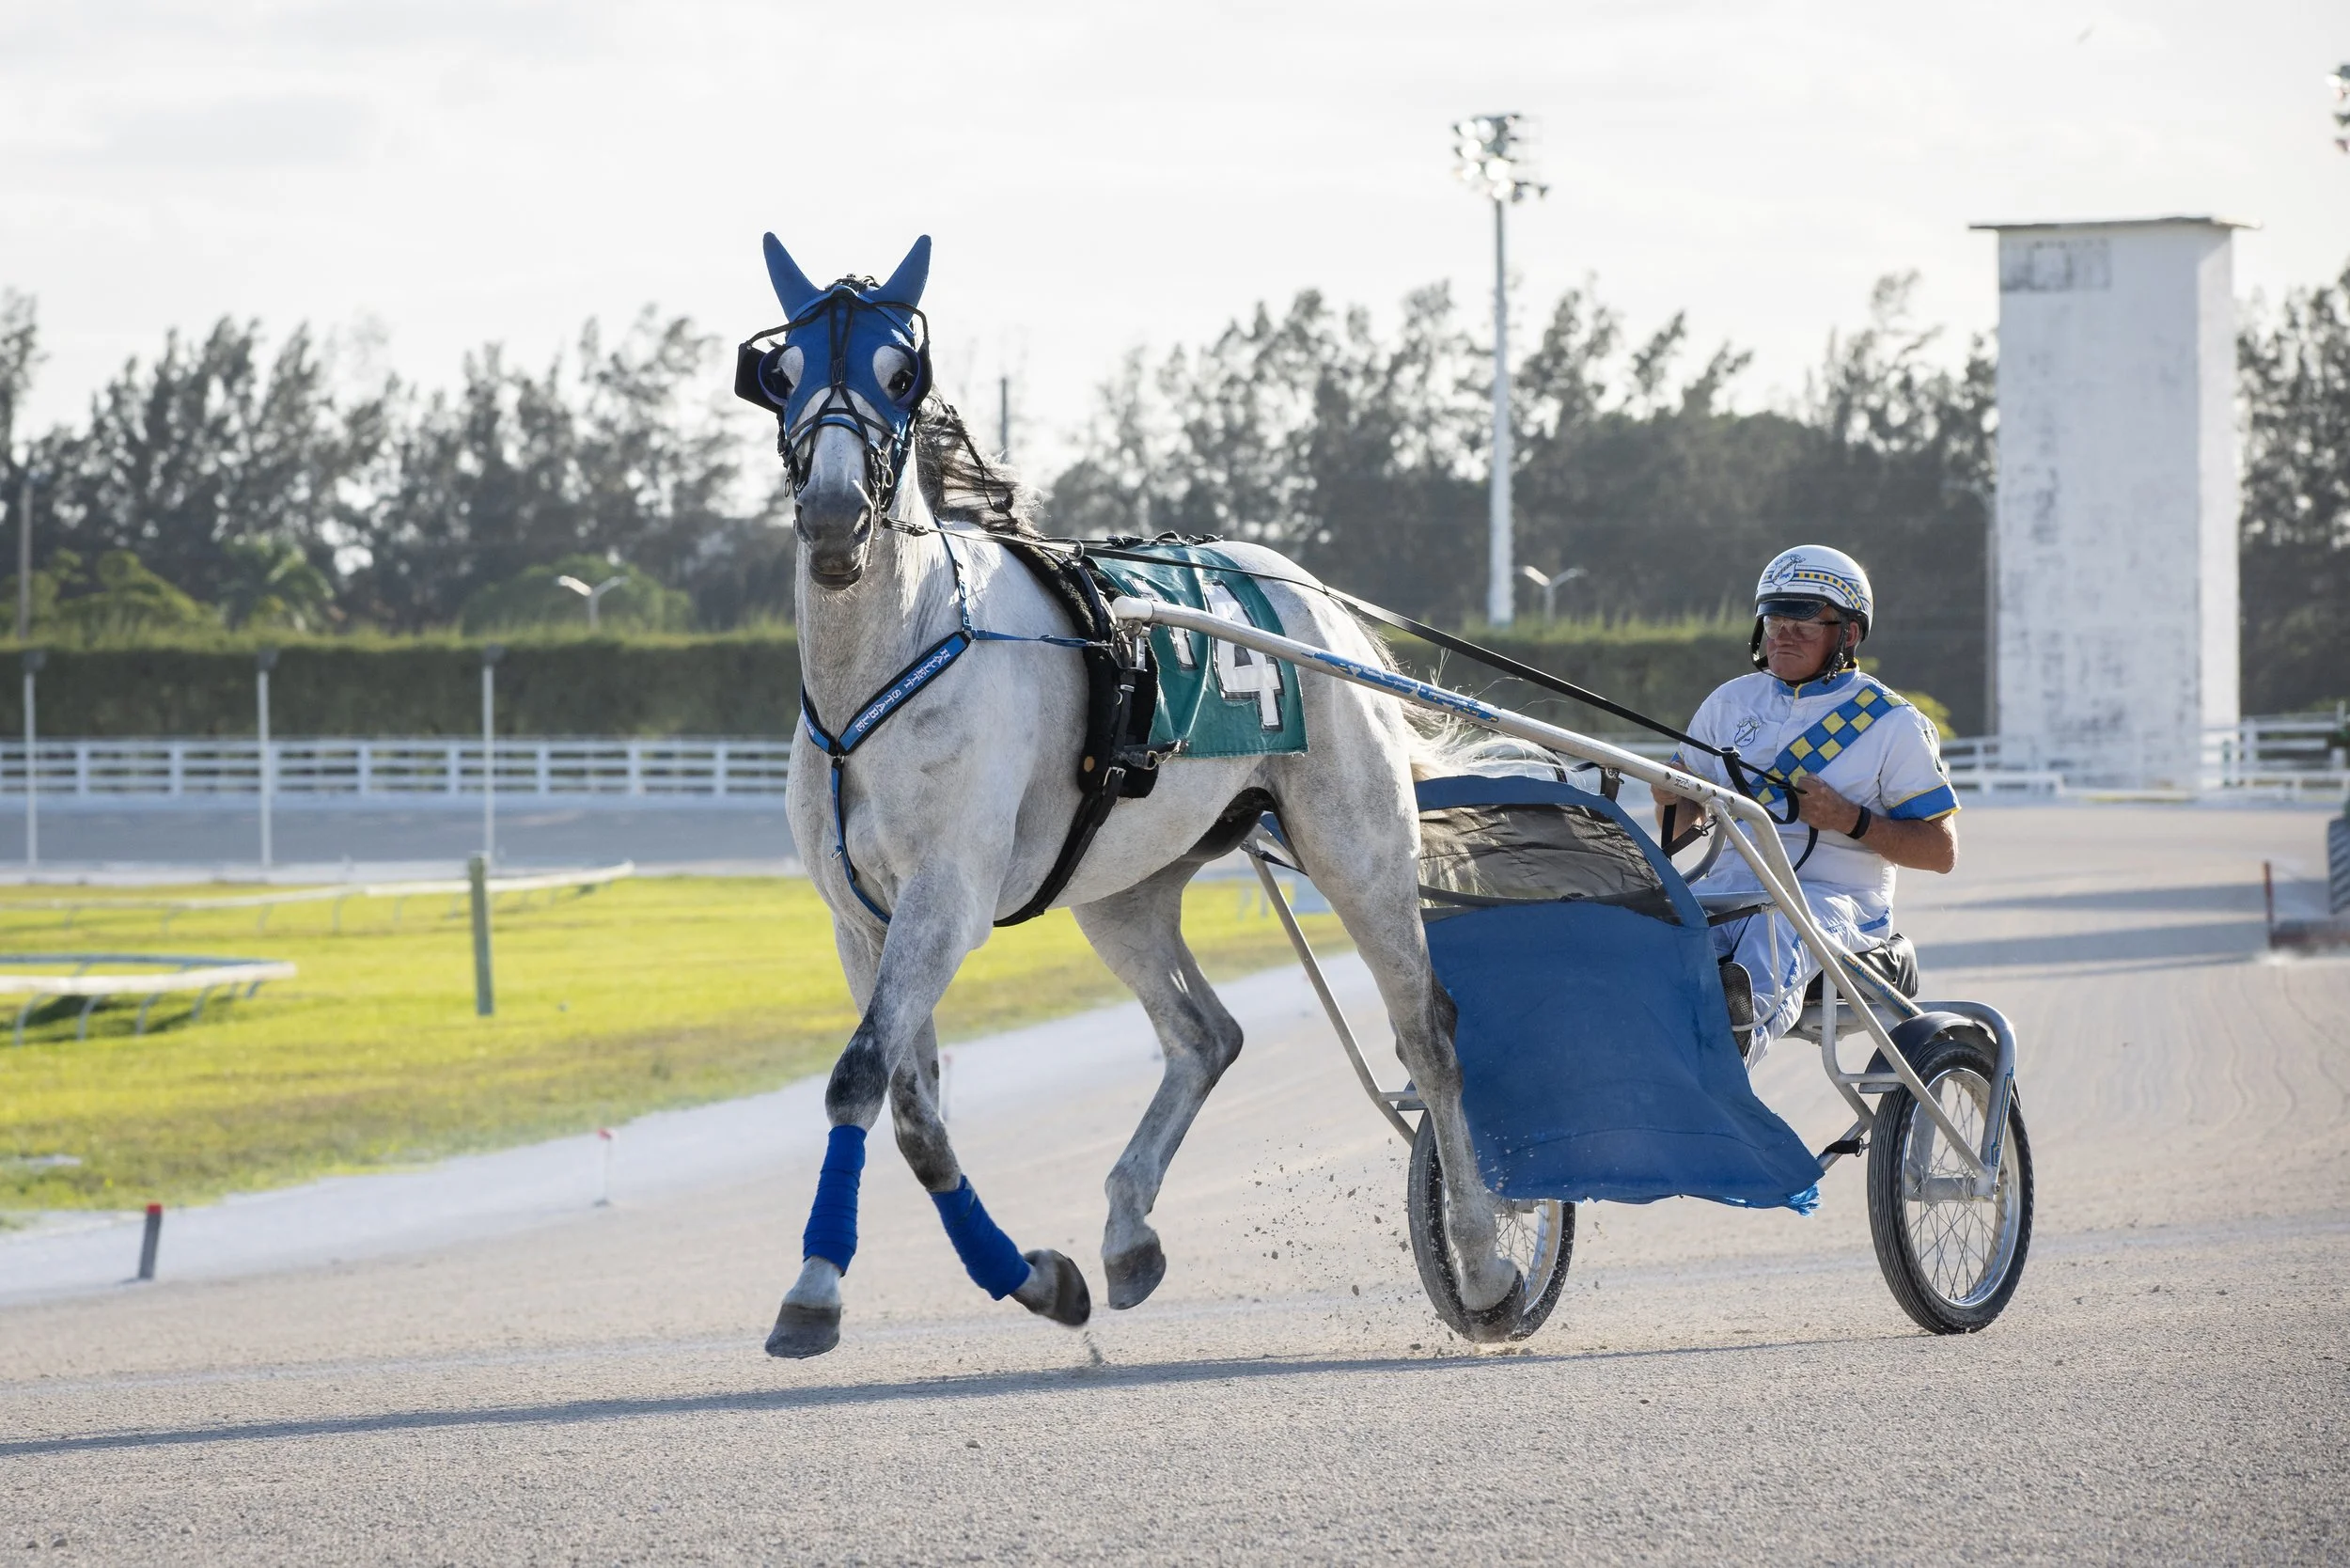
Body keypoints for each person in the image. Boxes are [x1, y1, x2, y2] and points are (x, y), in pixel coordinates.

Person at [1656, 545, 1959, 1064]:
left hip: (1837, 901)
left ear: (1848, 633)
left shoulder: (1893, 722)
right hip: (1730, 887)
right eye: (1775, 620)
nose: (1784, 635)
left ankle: (1723, 1075)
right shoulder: (1729, 702)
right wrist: (1672, 798)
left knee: (1775, 929)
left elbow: (1940, 852)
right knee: (1645, 930)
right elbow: (1682, 826)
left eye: (1803, 622)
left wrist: (1851, 819)